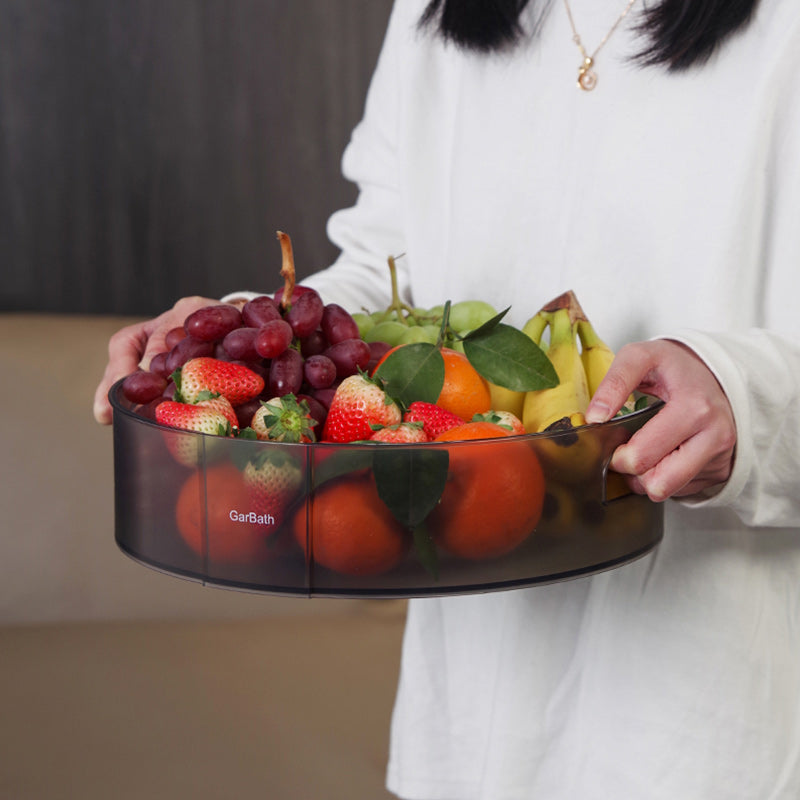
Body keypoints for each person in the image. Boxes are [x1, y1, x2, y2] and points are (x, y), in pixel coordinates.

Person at [94, 0, 800, 796]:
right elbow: (385, 268)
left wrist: (750, 401)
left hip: (724, 707)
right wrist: (239, 338)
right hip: (475, 706)